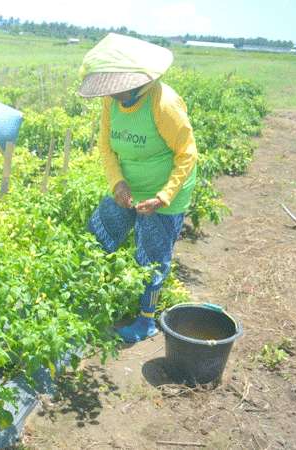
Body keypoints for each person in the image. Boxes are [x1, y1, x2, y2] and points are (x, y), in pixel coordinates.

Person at [78, 33, 198, 343]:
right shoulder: (112, 102)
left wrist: (164, 196)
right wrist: (117, 182)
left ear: (139, 83)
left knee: (152, 257)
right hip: (128, 188)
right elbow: (106, 147)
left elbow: (187, 154)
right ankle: (90, 298)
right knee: (98, 233)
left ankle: (146, 321)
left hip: (165, 193)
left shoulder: (163, 103)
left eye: (121, 89)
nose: (116, 96)